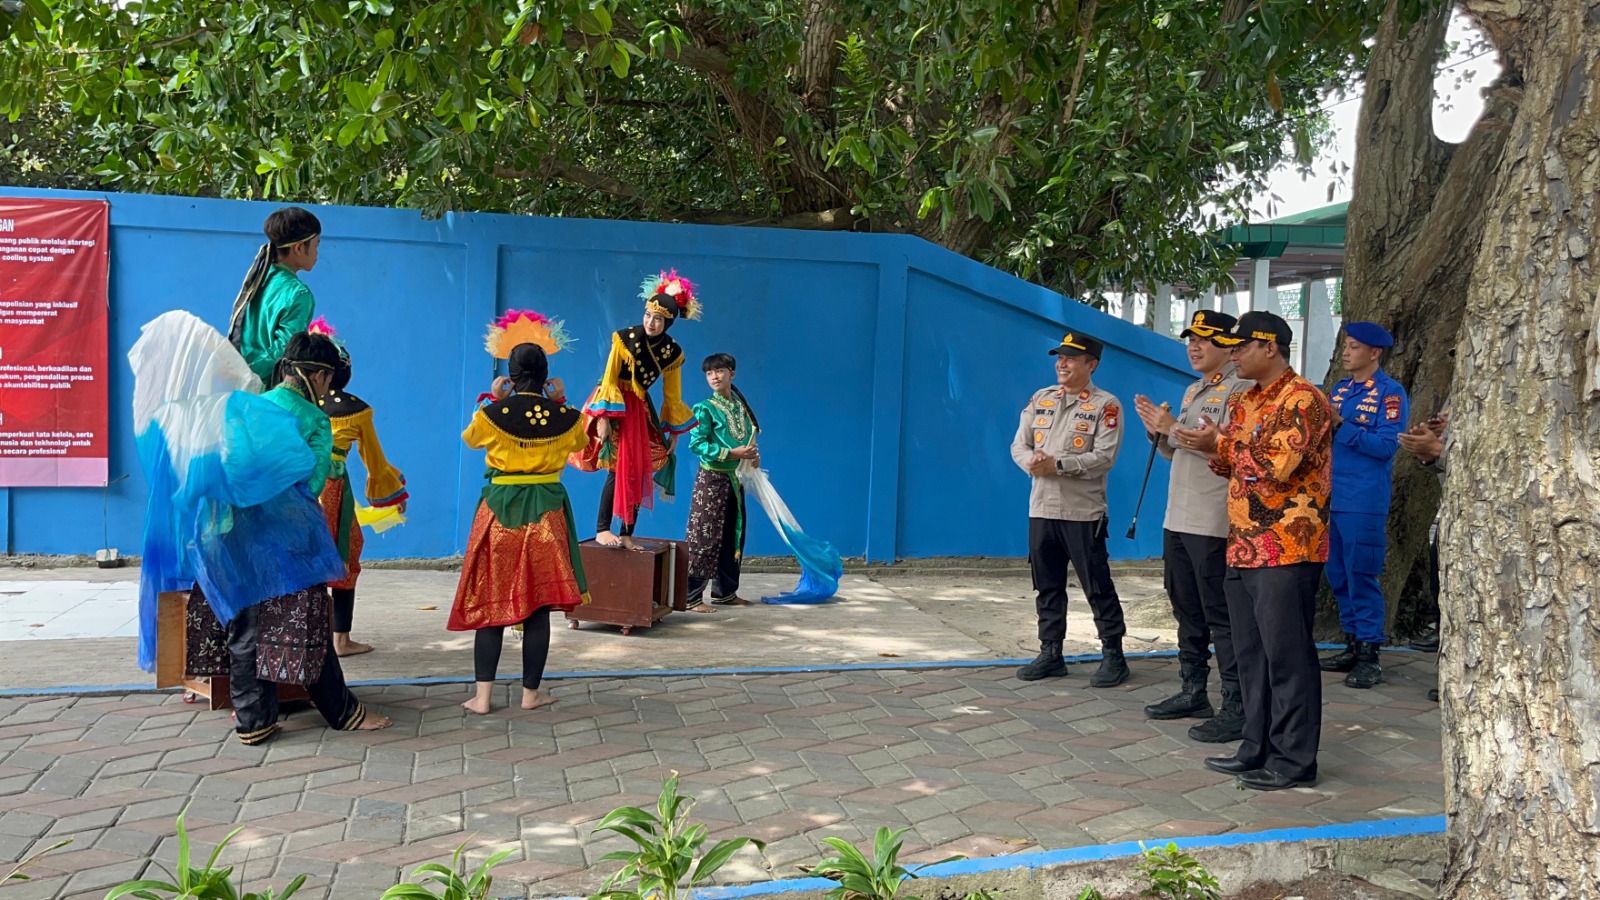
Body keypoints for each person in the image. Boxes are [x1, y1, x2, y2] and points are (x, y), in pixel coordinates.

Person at [180, 331, 394, 744]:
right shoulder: (314, 419)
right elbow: (312, 482)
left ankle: (253, 721)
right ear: (317, 376)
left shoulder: (252, 405)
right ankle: (342, 711)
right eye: (328, 379)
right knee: (310, 622)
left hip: (231, 531)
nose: (328, 387)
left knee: (245, 624)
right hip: (286, 540)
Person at [1179, 310, 1332, 791]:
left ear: (1270, 347)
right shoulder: (1246, 400)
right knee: (1252, 655)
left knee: (1287, 657)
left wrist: (1218, 442)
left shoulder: (1303, 399)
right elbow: (1230, 466)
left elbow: (1277, 465)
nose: (1234, 353)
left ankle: (1293, 760)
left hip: (1287, 547)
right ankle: (1256, 746)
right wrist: (1213, 446)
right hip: (1243, 545)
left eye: (1242, 346)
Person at [450, 341, 591, 715]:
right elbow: (581, 440)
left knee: (492, 603)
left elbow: (471, 438)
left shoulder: (492, 414)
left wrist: (491, 400)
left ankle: (482, 698)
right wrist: (560, 399)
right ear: (545, 377)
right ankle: (530, 694)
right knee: (538, 607)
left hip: (499, 516)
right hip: (547, 516)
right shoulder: (567, 417)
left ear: (510, 377)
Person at [1132, 311, 1250, 742]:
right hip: (1178, 515)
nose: (1194, 347)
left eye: (1204, 340)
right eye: (1190, 340)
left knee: (1220, 612)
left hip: (1213, 518)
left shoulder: (1242, 391)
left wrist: (1174, 428)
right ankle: (1193, 689)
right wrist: (1160, 434)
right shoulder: (1194, 389)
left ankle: (1235, 703)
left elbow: (1230, 452)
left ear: (1229, 346)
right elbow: (1182, 452)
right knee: (1185, 606)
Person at [1009, 331, 1130, 687]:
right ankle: (1051, 652)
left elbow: (1104, 457)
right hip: (1042, 508)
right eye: (1059, 357)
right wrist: (1031, 462)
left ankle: (1113, 655)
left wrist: (1057, 466)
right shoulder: (1040, 398)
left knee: (1096, 585)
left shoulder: (1106, 405)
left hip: (1082, 512)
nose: (1062, 363)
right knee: (1046, 584)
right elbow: (1019, 444)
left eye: (1072, 358)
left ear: (1092, 365)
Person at [307, 318, 409, 657]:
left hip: (296, 487)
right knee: (345, 555)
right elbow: (375, 463)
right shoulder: (357, 410)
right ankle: (340, 640)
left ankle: (302, 636)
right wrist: (393, 494)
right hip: (333, 491)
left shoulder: (293, 403)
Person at [576, 271, 700, 549]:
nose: (651, 322)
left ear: (668, 322)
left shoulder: (672, 352)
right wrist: (604, 418)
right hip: (614, 404)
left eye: (658, 319)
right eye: (648, 315)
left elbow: (672, 396)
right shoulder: (624, 339)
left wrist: (673, 433)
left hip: (640, 409)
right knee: (616, 468)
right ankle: (602, 529)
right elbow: (608, 379)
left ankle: (627, 534)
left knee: (639, 468)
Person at [1318, 322, 1409, 689]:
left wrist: (1343, 427)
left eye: (1354, 347)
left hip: (1363, 499)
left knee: (1361, 574)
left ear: (1374, 353)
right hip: (1331, 497)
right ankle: (1352, 641)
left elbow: (1387, 446)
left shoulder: (1390, 394)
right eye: (1346, 345)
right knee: (1337, 575)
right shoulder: (1339, 390)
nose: (1346, 352)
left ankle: (1370, 653)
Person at [685, 353, 762, 607]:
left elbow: (745, 439)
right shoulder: (704, 408)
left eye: (719, 371)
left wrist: (752, 456)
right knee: (704, 536)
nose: (714, 376)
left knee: (733, 535)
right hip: (711, 480)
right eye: (709, 373)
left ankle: (725, 592)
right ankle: (691, 597)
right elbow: (697, 444)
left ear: (732, 373)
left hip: (734, 479)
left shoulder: (740, 407)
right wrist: (731, 453)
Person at [228, 206, 323, 385]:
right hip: (265, 390)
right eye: (316, 245)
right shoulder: (299, 294)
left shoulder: (259, 278)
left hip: (238, 382)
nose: (317, 253)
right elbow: (286, 351)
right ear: (300, 247)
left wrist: (238, 373)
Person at [1398, 403, 1450, 702]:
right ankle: (1448, 675)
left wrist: (1439, 450)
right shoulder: (1456, 395)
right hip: (1454, 515)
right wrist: (1428, 449)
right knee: (1440, 588)